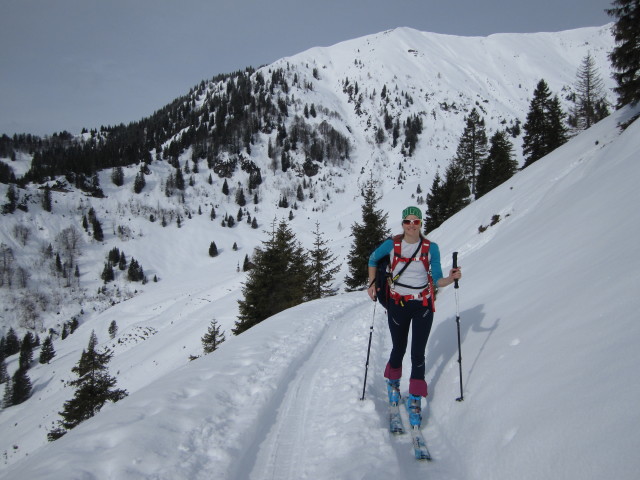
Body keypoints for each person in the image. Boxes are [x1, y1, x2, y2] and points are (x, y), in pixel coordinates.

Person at [366, 206, 461, 426]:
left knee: (418, 354)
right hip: (398, 304)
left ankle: (415, 398)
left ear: (420, 223)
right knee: (398, 347)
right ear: (402, 224)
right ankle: (393, 384)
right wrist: (371, 284)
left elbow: (436, 279)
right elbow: (372, 259)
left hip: (423, 305)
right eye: (407, 221)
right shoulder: (392, 244)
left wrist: (450, 279)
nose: (411, 225)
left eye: (415, 221)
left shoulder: (431, 248)